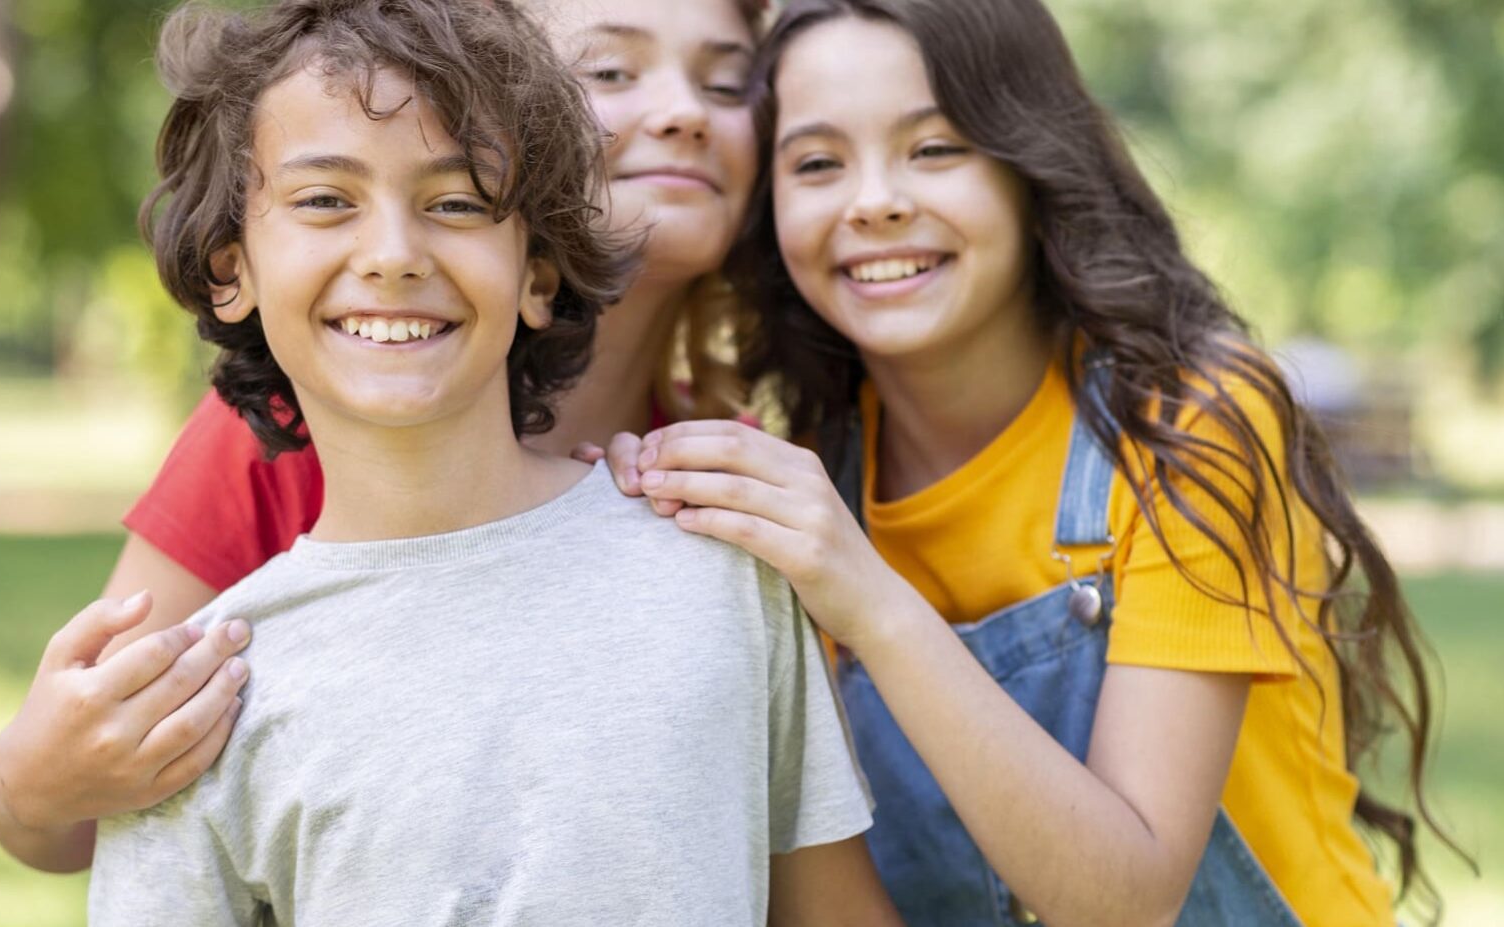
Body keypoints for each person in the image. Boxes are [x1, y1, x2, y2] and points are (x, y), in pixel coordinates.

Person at [622, 0, 1462, 923]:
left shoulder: (1192, 423)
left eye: (935, 148)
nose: (875, 200)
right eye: (818, 163)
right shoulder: (819, 474)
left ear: (1030, 165)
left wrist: (869, 600)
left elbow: (1126, 899)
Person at [83, 1, 896, 923]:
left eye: (457, 202)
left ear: (539, 276)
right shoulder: (204, 696)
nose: (392, 254)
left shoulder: (722, 573)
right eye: (324, 200)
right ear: (233, 268)